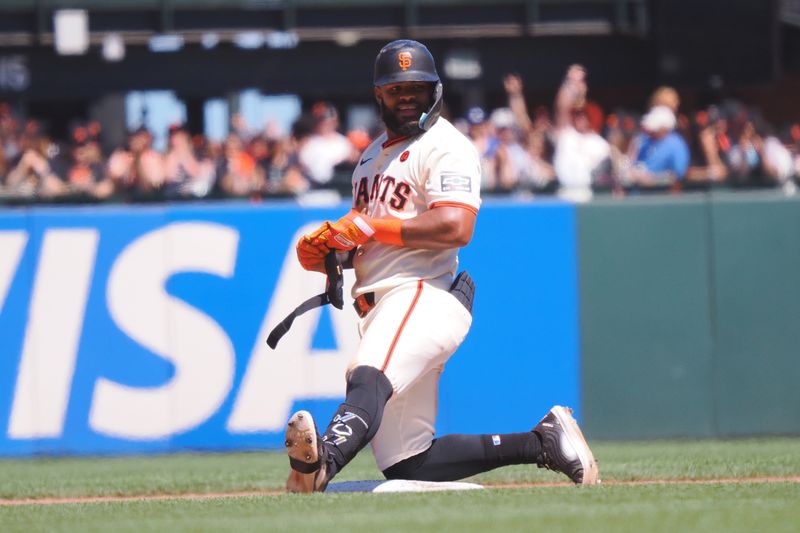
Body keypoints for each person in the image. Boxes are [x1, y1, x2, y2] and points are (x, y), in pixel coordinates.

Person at [284, 39, 599, 493]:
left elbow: (455, 225)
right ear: (379, 95)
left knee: (366, 375)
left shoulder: (446, 145)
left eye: (417, 87)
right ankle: (543, 442)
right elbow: (377, 238)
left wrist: (370, 227)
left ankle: (321, 466)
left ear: (435, 90)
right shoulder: (370, 158)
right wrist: (336, 255)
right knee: (408, 463)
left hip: (422, 294)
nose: (407, 96)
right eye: (397, 89)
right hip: (382, 304)